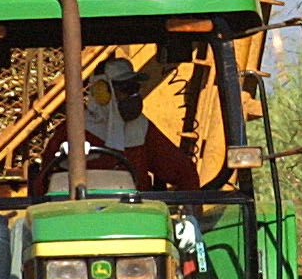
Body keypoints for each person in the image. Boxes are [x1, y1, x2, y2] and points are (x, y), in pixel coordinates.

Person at [42, 55, 198, 193]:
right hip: (84, 212)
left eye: (135, 88)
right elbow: (43, 182)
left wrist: (189, 210)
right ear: (102, 91)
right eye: (126, 89)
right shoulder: (73, 131)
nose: (133, 96)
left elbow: (184, 171)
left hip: (136, 212)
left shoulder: (142, 128)